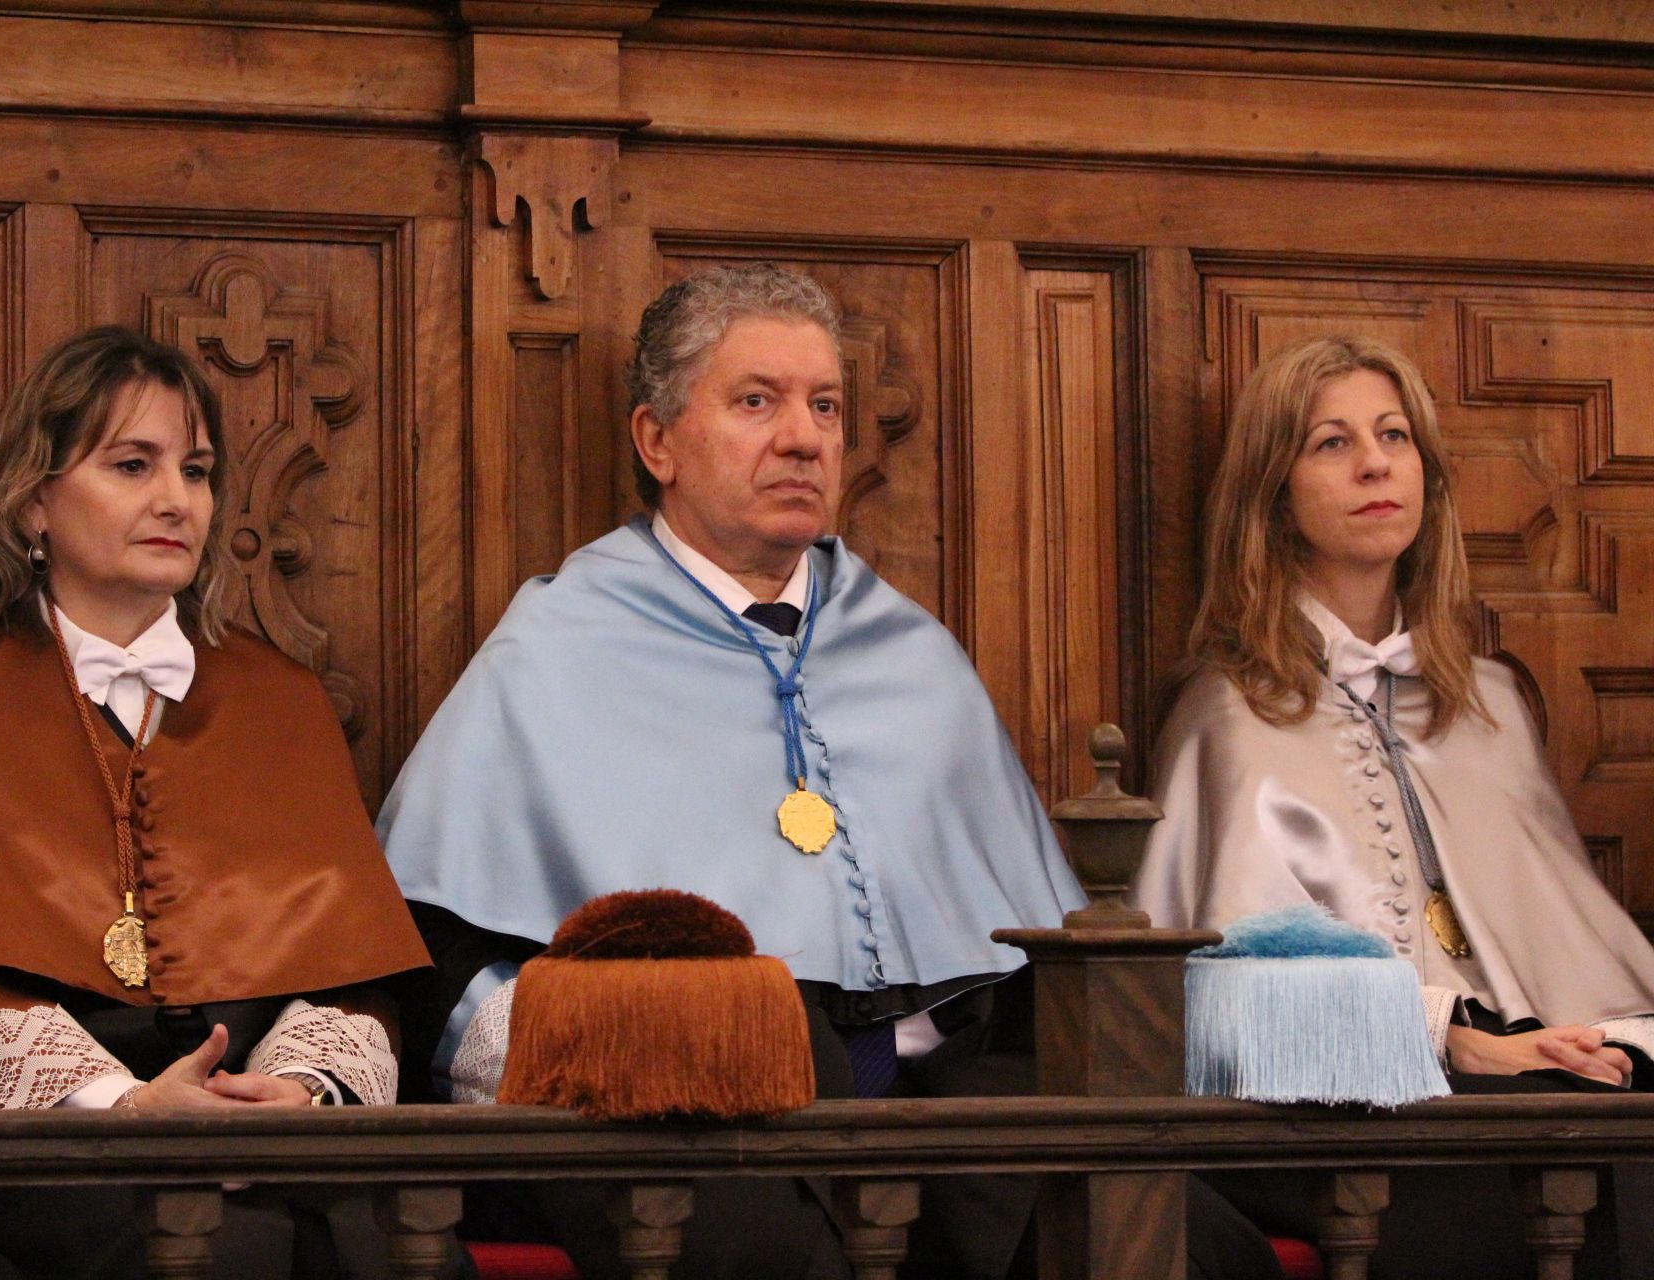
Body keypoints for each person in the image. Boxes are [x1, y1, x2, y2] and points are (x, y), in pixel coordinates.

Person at [378, 263, 1281, 1280]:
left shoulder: (912, 650)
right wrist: (631, 1045)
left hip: (939, 1111)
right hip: (696, 1115)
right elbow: (447, 956)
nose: (804, 436)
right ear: (657, 440)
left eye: (825, 406)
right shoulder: (553, 645)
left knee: (1168, 1236)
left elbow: (1021, 968)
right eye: (756, 401)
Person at [0, 325, 430, 1280]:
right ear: (33, 504)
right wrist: (118, 1104)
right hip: (41, 1161)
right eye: (131, 465)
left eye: (195, 469)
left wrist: (300, 1087)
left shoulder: (281, 698)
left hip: (271, 1141)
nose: (174, 500)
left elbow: (359, 970)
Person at [1131, 333, 1654, 1279]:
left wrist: (1587, 1036)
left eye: (1395, 435)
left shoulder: (1490, 700)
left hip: (1528, 1065)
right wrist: (1449, 1040)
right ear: (1272, 495)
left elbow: (1570, 932)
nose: (1376, 463)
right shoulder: (1226, 712)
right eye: (1331, 443)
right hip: (1343, 1109)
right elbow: (1208, 990)